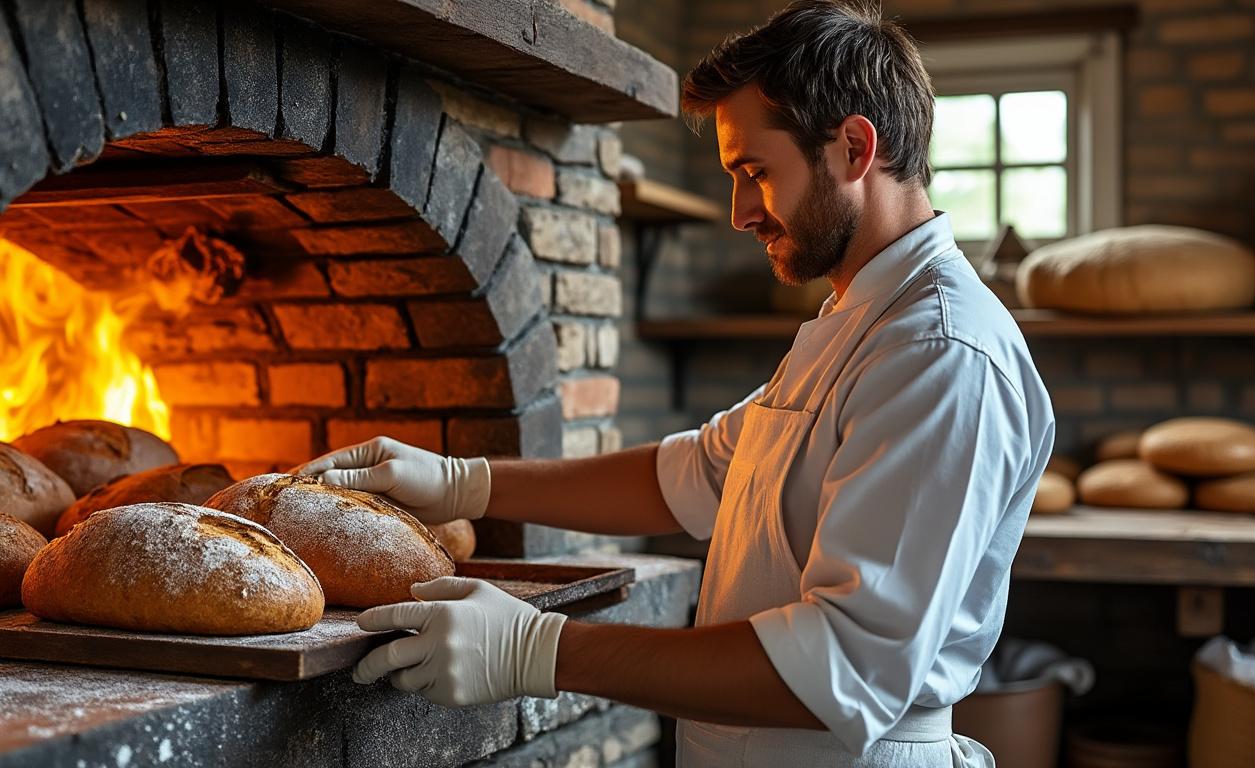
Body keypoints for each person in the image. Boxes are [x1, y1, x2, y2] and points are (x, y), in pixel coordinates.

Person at [294, 1, 1055, 765]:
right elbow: (698, 473)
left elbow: (839, 668)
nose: (740, 212)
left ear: (855, 148)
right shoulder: (859, 320)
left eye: (756, 172)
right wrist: (465, 482)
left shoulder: (940, 352)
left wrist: (538, 648)